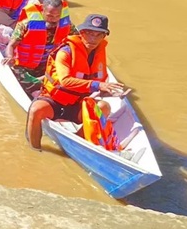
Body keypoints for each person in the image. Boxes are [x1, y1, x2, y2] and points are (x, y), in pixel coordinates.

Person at [26, 13, 129, 150]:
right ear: (81, 33)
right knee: (36, 110)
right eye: (89, 33)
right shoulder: (65, 52)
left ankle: (76, 141)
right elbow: (65, 81)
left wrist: (109, 92)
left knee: (104, 107)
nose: (93, 38)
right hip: (54, 100)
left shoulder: (99, 53)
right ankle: (35, 148)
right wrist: (98, 85)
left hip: (78, 102)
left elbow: (97, 86)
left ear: (104, 37)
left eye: (98, 35)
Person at [4, 0, 71, 93]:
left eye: (57, 16)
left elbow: (75, 42)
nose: (54, 19)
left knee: (67, 72)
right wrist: (10, 57)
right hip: (24, 66)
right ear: (42, 10)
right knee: (15, 73)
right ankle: (43, 82)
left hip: (47, 65)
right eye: (50, 16)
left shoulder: (67, 25)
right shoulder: (25, 24)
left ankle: (43, 82)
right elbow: (11, 45)